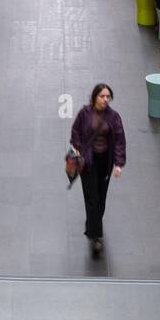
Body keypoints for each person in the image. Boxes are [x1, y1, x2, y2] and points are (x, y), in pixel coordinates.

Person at [69, 84, 126, 256]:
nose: (106, 99)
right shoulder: (84, 114)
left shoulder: (114, 117)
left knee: (101, 197)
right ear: (95, 97)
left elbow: (119, 141)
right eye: (102, 96)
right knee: (92, 198)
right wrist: (78, 148)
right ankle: (96, 237)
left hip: (105, 162)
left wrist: (118, 163)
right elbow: (75, 132)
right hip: (88, 162)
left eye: (108, 96)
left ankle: (93, 223)